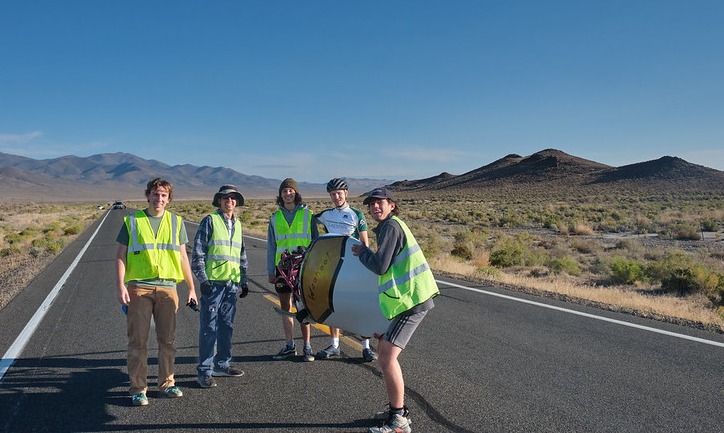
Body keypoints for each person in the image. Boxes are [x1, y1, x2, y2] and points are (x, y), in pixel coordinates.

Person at [351, 187, 439, 433]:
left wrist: (362, 252)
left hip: (412, 301)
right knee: (384, 351)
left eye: (380, 203)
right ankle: (396, 409)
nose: (375, 207)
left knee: (386, 357)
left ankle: (398, 420)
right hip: (408, 299)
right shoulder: (392, 225)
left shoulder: (390, 227)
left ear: (391, 204)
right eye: (371, 205)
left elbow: (380, 266)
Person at [115, 178, 198, 407]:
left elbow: (182, 257)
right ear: (148, 196)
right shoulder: (132, 221)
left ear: (168, 199)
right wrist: (121, 285)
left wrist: (191, 288)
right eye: (155, 194)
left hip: (168, 288)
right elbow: (121, 255)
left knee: (167, 340)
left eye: (163, 195)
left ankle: (167, 383)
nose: (159, 199)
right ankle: (138, 389)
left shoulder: (176, 222)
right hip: (139, 288)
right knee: (138, 341)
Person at [191, 185, 249, 388]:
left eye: (233, 198)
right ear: (219, 201)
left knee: (227, 326)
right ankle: (205, 370)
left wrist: (244, 280)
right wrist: (203, 280)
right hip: (213, 284)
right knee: (209, 327)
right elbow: (198, 253)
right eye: (226, 198)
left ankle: (222, 364)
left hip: (231, 285)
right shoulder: (210, 221)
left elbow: (241, 254)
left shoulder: (239, 224)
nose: (229, 201)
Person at [315, 178, 377, 362]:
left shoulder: (357, 214)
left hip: (355, 267)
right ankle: (334, 345)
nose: (336, 197)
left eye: (339, 193)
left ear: (346, 193)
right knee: (333, 306)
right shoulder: (325, 215)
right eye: (333, 194)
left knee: (360, 306)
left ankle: (366, 347)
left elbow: (365, 243)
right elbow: (307, 220)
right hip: (333, 268)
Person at [267, 178, 319, 362]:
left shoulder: (308, 215)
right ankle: (289, 345)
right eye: (284, 191)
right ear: (280, 195)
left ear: (296, 193)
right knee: (285, 307)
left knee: (303, 307)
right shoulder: (275, 218)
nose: (287, 194)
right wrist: (270, 271)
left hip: (302, 269)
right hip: (282, 269)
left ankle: (307, 347)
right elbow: (271, 246)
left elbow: (316, 242)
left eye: (290, 191)